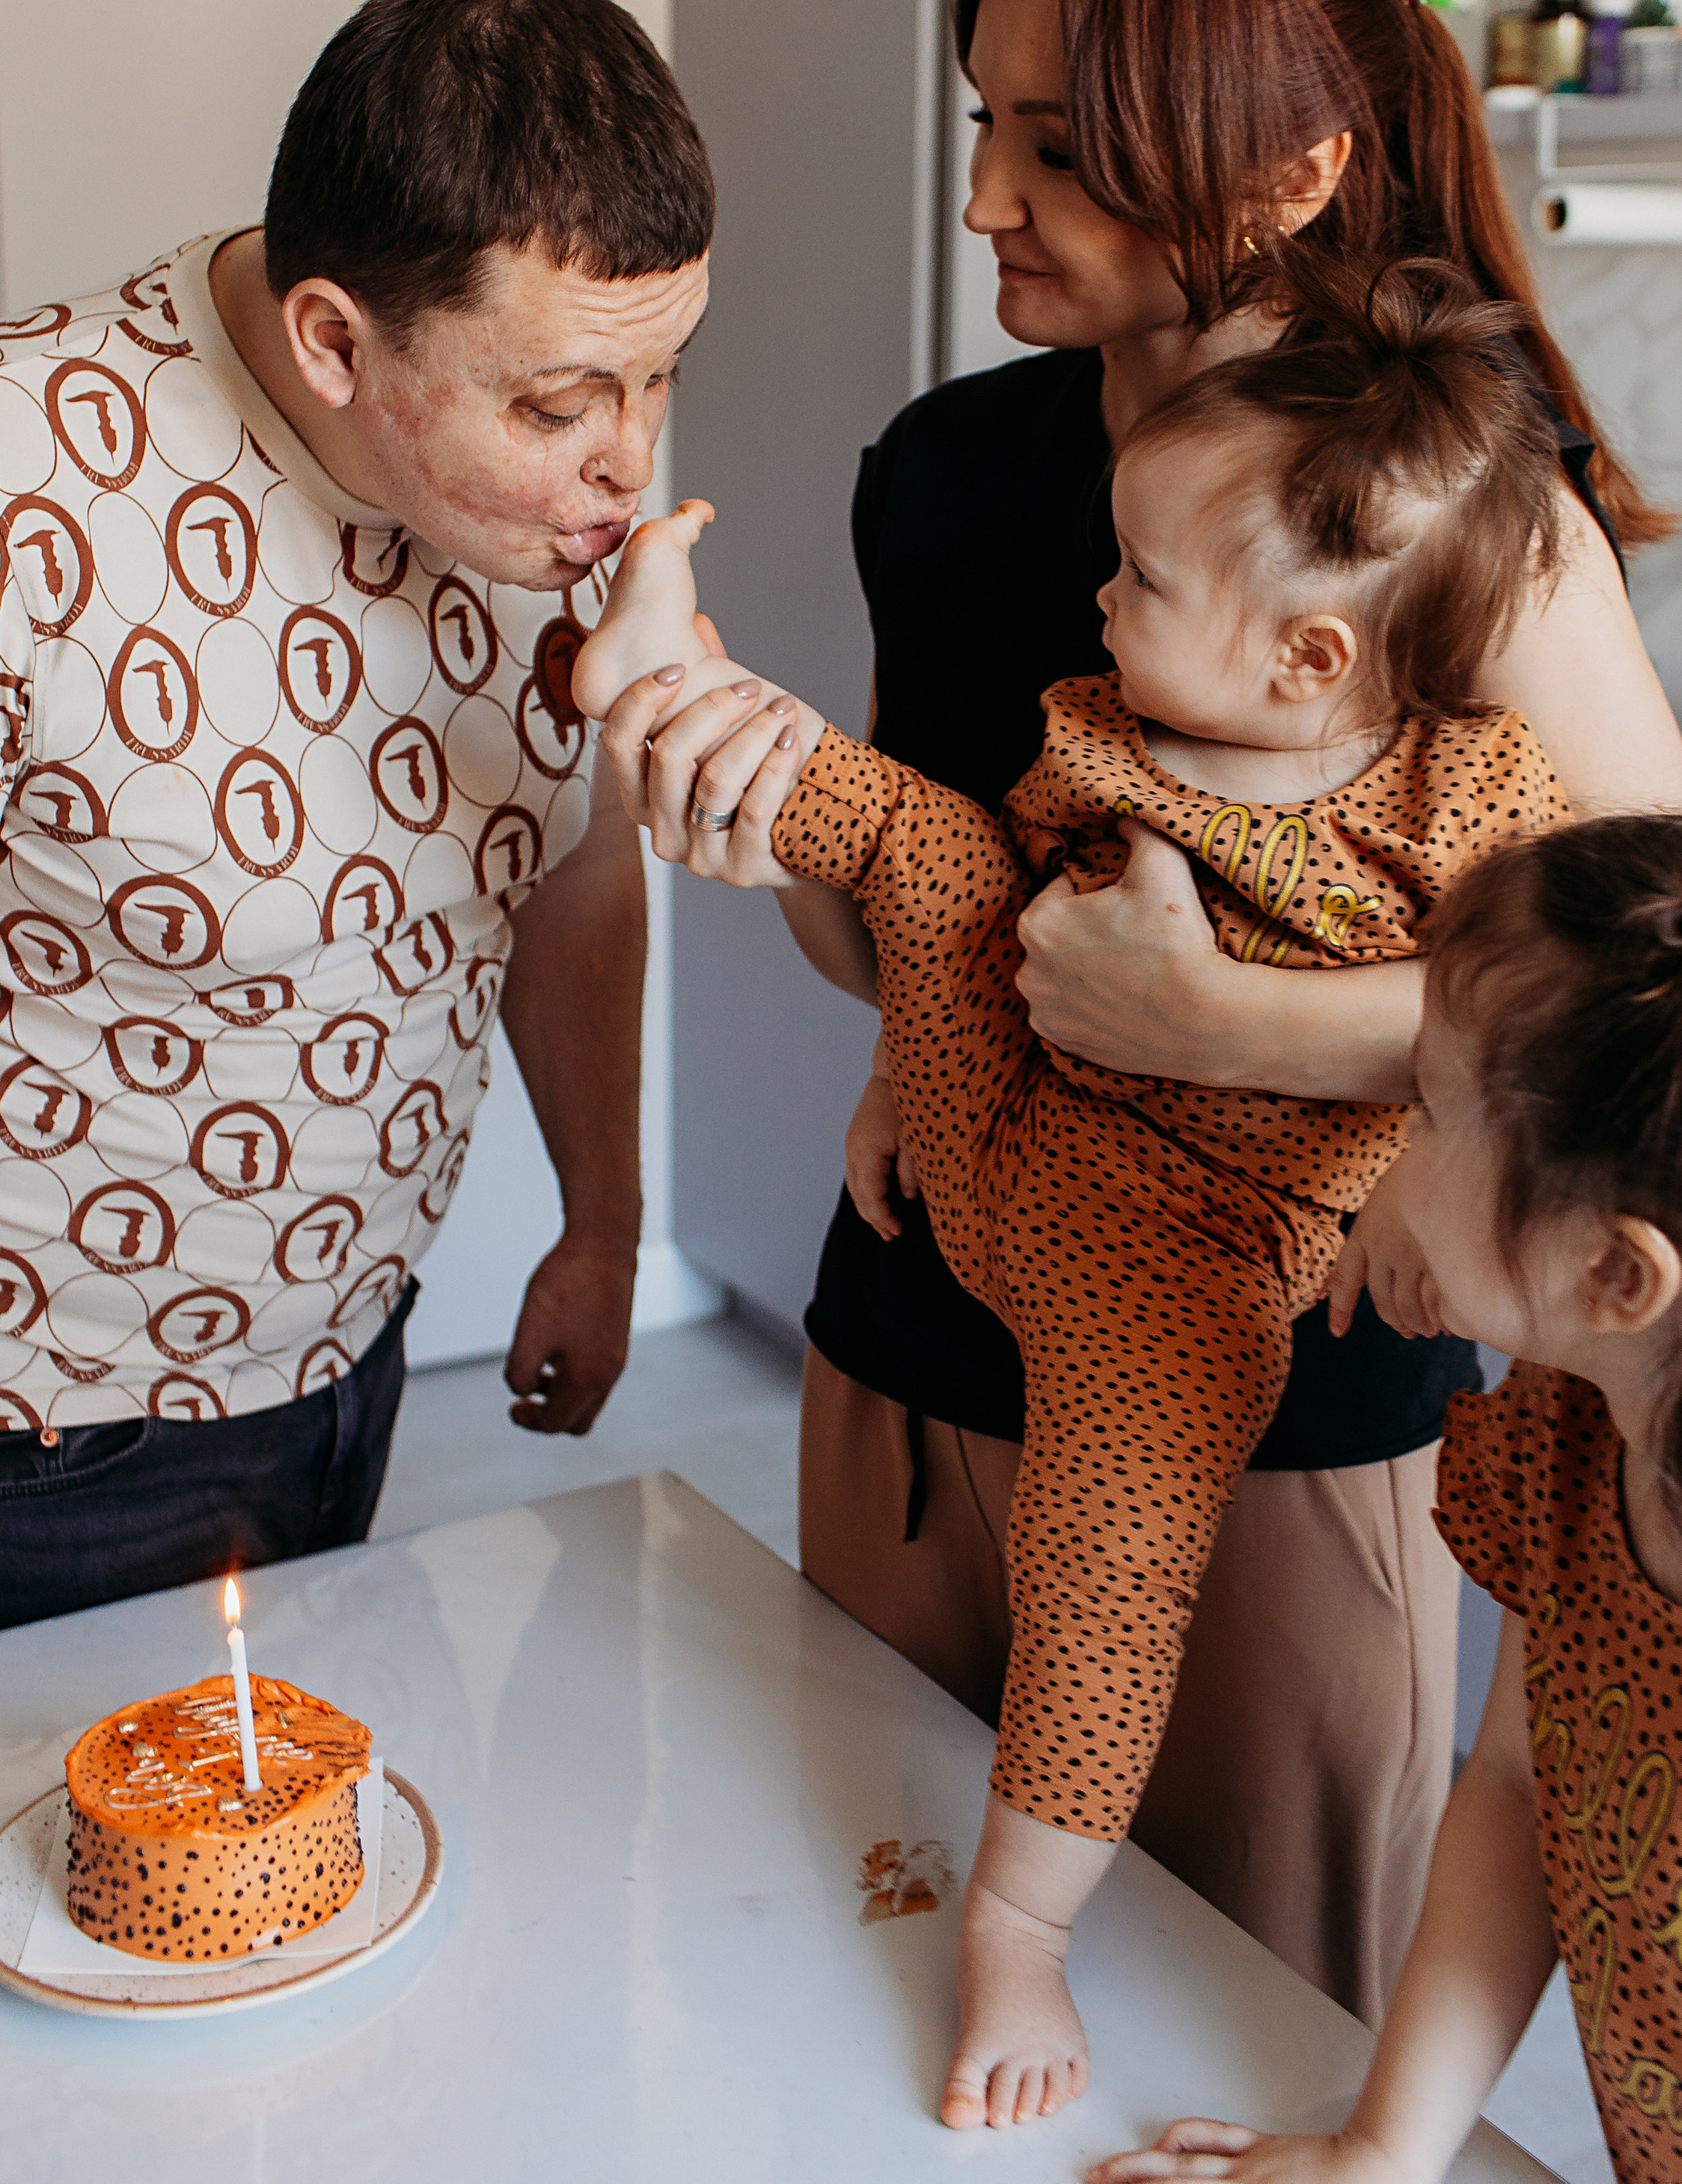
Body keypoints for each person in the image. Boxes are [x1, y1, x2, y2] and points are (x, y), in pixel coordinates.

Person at [602, 0, 1682, 2025]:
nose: (989, 198)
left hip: (1285, 1431)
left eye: (1066, 147)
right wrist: (765, 831)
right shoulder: (950, 468)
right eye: (985, 125)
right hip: (909, 1367)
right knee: (845, 1988)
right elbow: (907, 929)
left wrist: (1231, 1027)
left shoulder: (1459, 515)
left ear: (1294, 164)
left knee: (1244, 2044)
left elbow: (1664, 1010)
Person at [581, 274, 1572, 2129]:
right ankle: (663, 683)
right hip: (990, 1137)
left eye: (1140, 578)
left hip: (1175, 1280)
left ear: (1304, 659)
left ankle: (1015, 1929)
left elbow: (1507, 1034)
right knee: (920, 826)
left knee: (1101, 1593)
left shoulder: (1473, 802)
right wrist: (909, 1057)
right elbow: (963, 903)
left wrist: (1406, 1194)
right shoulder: (1106, 725)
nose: (1101, 600)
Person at [0, 0, 713, 1636]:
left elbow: (571, 865)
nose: (630, 458)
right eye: (560, 404)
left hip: (349, 1353)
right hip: (37, 1441)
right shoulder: (4, 494)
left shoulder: (559, 522)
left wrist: (607, 1226)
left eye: (660, 375)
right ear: (330, 341)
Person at [1092, 811, 1682, 2184]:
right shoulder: (1578, 1439)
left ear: (1618, 1279)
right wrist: (1385, 2149)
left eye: (1437, 1108)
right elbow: (1517, 1783)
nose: (1393, 1140)